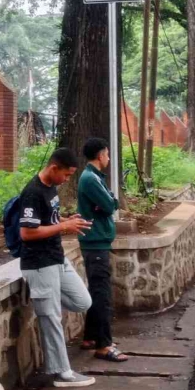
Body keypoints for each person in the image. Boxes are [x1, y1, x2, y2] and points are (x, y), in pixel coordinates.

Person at [19, 147, 96, 389]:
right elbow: (28, 232)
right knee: (51, 318)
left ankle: (46, 303)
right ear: (54, 168)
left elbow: (48, 220)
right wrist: (64, 228)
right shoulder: (32, 193)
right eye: (67, 175)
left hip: (56, 259)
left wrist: (66, 221)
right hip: (40, 264)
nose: (67, 180)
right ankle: (62, 372)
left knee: (83, 301)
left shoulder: (51, 188)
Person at [77, 137, 128, 362]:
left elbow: (110, 203)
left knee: (96, 292)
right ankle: (104, 345)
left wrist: (108, 203)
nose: (108, 158)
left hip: (97, 241)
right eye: (107, 154)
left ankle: (90, 337)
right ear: (100, 156)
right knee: (102, 295)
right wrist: (107, 203)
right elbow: (109, 205)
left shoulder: (94, 177)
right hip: (95, 242)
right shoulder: (90, 179)